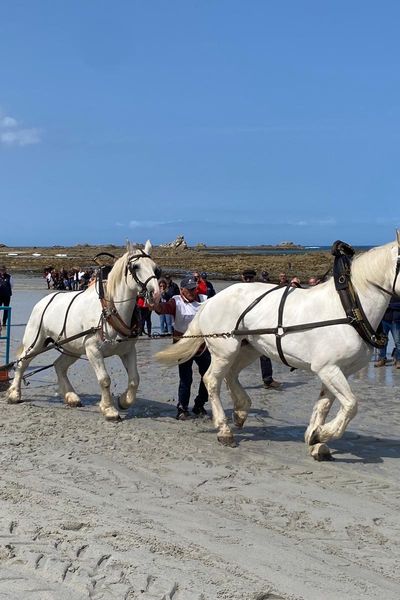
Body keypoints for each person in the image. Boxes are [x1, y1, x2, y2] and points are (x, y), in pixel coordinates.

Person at [149, 276, 211, 420]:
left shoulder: (204, 299)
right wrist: (155, 305)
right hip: (182, 345)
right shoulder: (176, 301)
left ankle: (199, 404)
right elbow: (163, 309)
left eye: (194, 288)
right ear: (182, 290)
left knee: (208, 376)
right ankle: (182, 408)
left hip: (201, 345)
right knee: (186, 379)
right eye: (189, 289)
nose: (192, 291)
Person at [241, 269, 281, 389]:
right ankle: (230, 378)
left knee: (265, 352)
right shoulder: (238, 291)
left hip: (257, 326)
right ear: (242, 278)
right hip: (241, 328)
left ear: (254, 278)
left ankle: (268, 380)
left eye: (250, 278)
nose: (248, 280)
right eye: (246, 278)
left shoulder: (258, 290)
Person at [375, 295, 400, 368]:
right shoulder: (386, 292)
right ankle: (382, 359)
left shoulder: (398, 292)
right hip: (384, 320)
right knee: (382, 341)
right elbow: (380, 304)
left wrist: (389, 305)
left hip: (396, 321)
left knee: (398, 342)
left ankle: (398, 360)